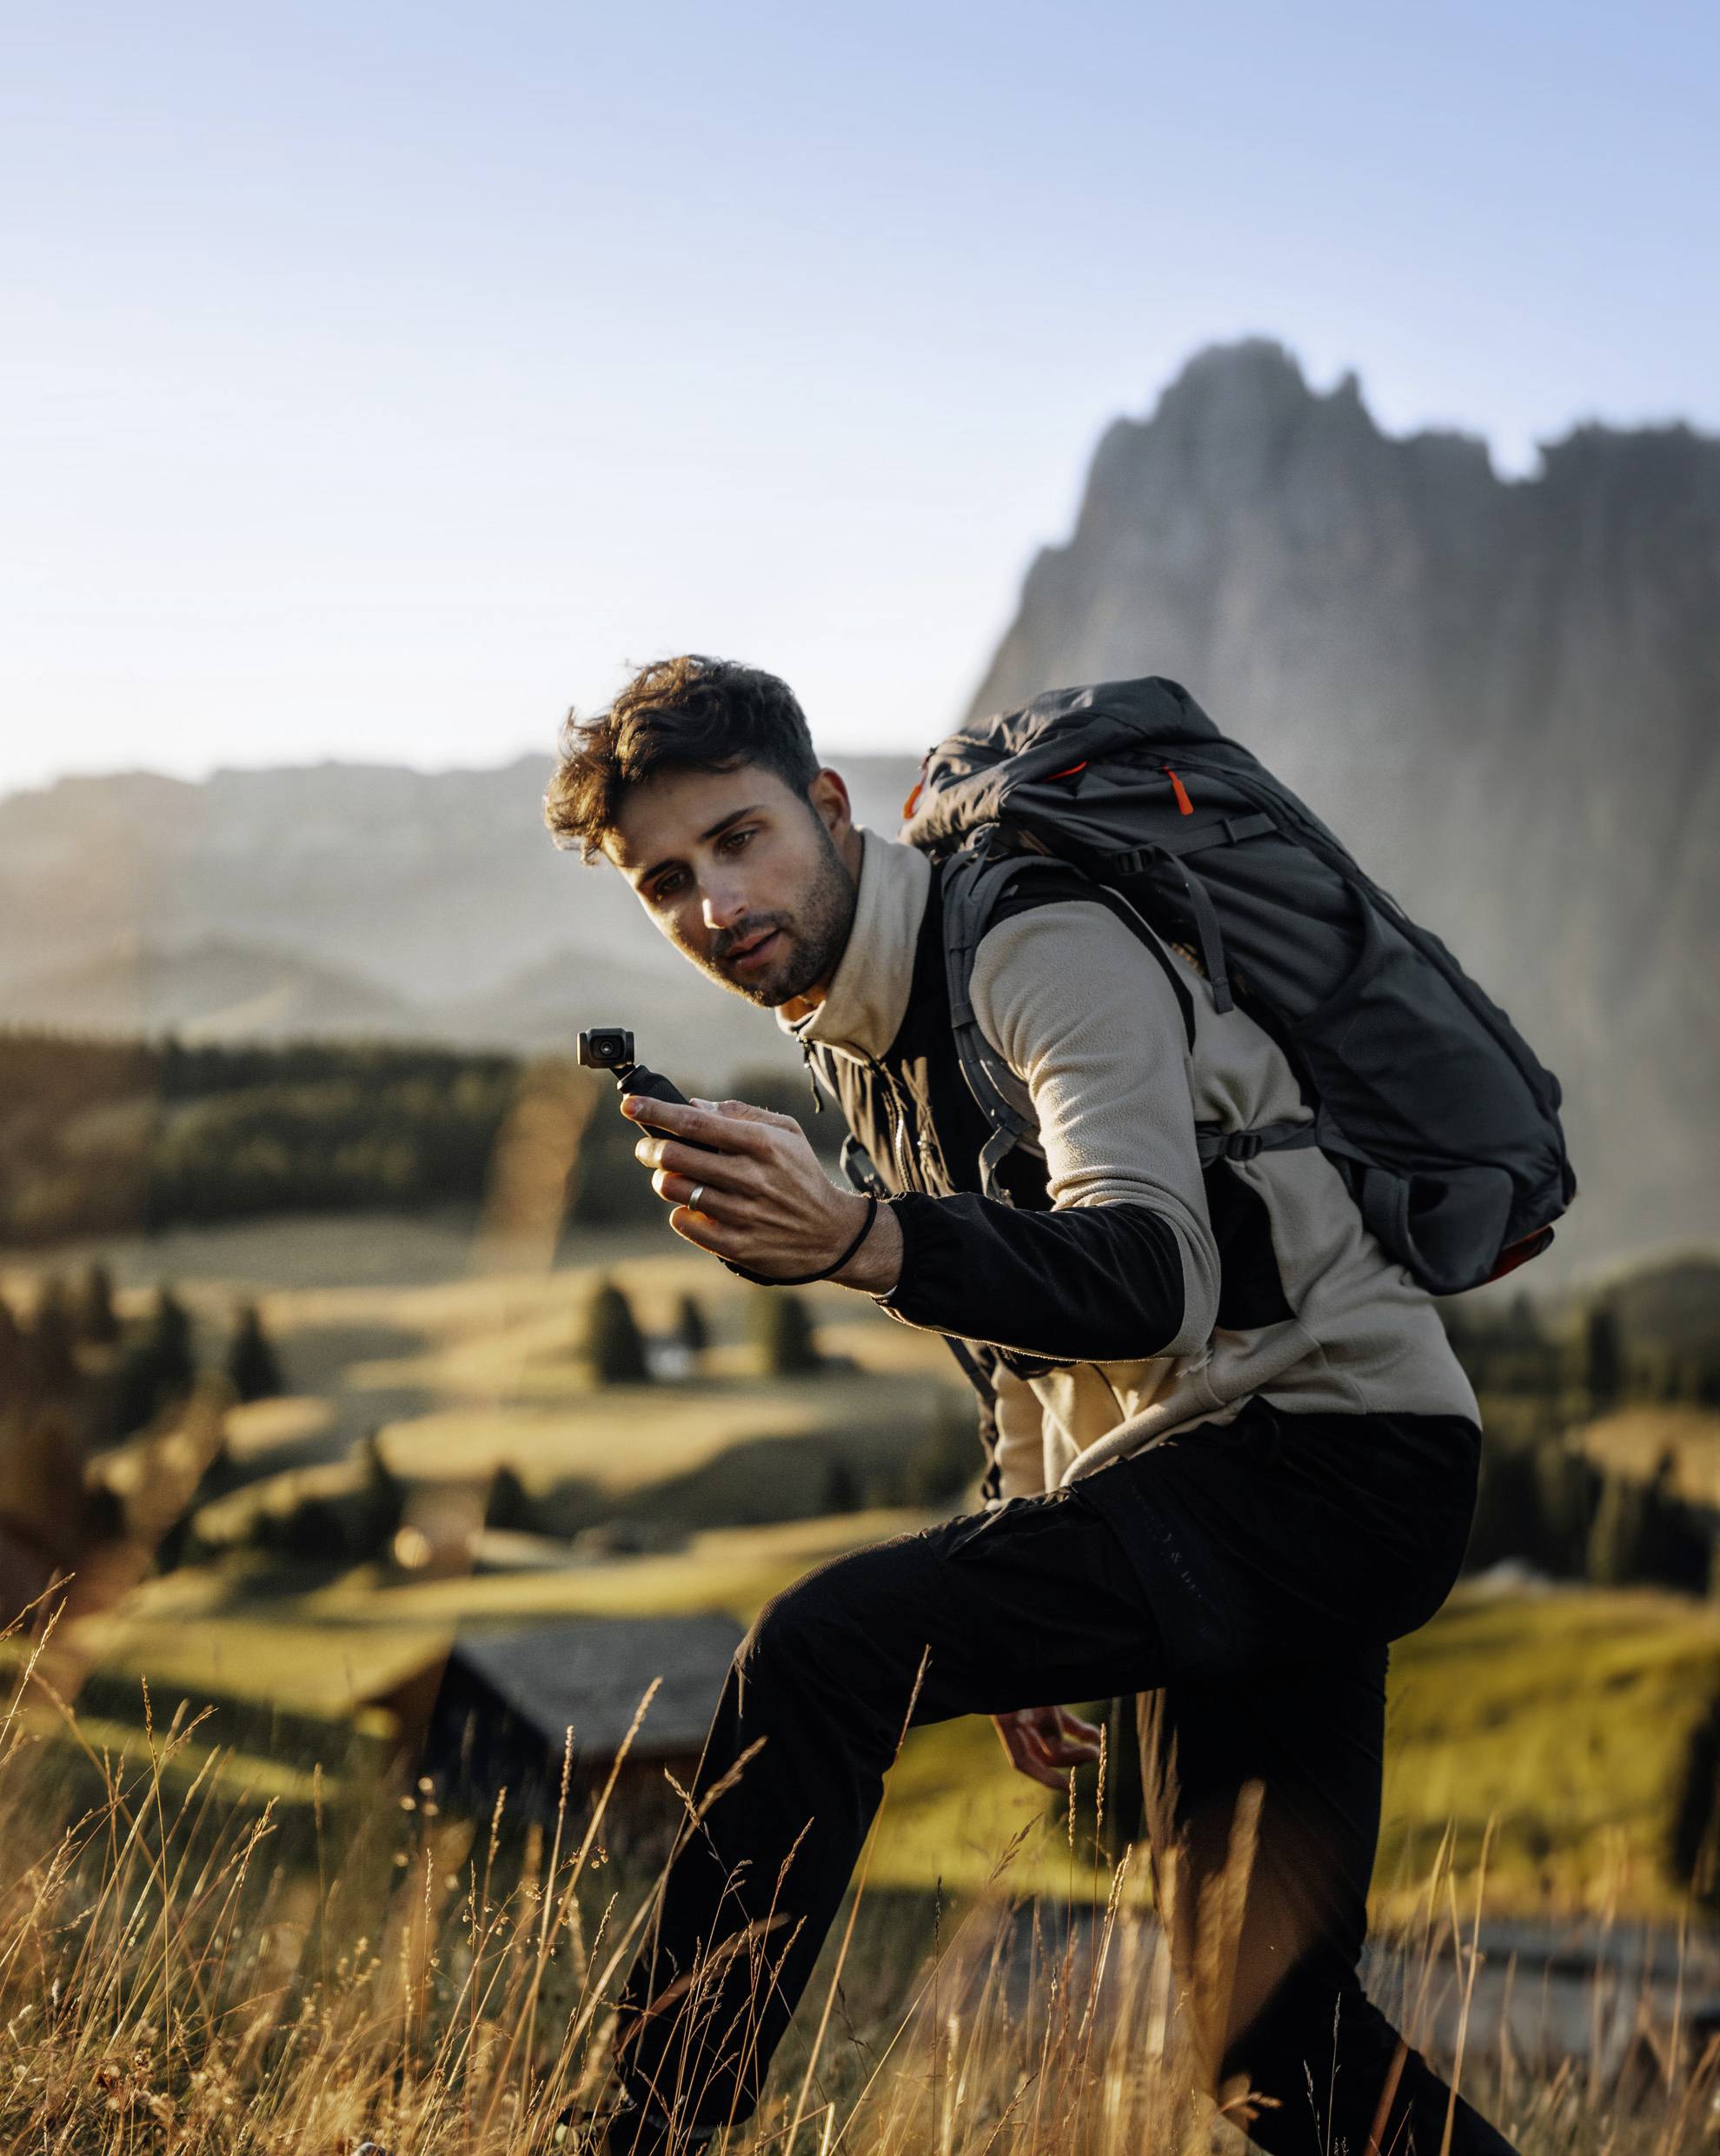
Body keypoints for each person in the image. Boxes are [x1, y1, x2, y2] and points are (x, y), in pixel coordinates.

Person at [545, 654, 1516, 2156]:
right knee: (1273, 2048)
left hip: (1328, 1461)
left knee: (821, 1651)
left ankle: (642, 2140)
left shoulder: (1035, 940)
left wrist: (861, 1240)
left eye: (737, 841)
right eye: (665, 882)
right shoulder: (858, 1033)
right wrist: (1025, 1528)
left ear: (825, 803)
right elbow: (1018, 1338)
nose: (714, 909)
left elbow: (1148, 1274)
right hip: (1241, 1479)